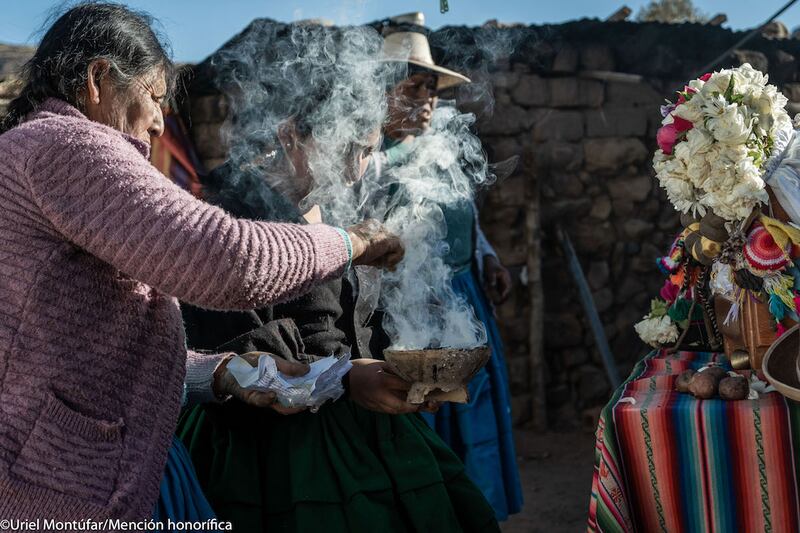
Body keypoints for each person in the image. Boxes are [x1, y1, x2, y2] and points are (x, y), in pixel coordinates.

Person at [0, 3, 403, 524]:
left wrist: (223, 373)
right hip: (65, 483)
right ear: (99, 79)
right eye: (154, 98)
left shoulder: (29, 150)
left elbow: (83, 353)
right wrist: (353, 242)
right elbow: (234, 263)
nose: (160, 122)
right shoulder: (66, 145)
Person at [176, 21, 500, 533]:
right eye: (348, 148)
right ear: (289, 135)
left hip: (367, 431)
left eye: (368, 152)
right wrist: (349, 379)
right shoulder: (229, 218)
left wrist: (405, 368)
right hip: (273, 454)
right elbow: (241, 355)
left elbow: (364, 323)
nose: (356, 170)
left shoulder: (343, 214)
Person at [370, 13, 523, 520]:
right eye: (415, 88)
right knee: (427, 411)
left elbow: (464, 212)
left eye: (433, 89)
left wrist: (488, 257)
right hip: (407, 307)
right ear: (383, 91)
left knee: (475, 408)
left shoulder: (440, 147)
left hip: (464, 292)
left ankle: (480, 511)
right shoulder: (368, 159)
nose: (428, 101)